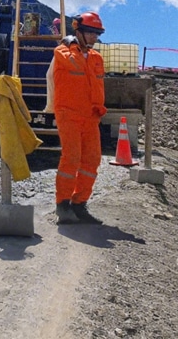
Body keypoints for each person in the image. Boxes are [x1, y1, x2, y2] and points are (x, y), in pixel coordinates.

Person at [52, 12, 107, 225]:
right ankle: (62, 206)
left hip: (91, 116)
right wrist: (71, 45)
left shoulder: (96, 58)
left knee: (91, 160)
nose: (94, 37)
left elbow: (97, 86)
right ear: (78, 31)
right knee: (71, 158)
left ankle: (79, 204)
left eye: (97, 33)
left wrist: (99, 108)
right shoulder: (63, 52)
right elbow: (73, 64)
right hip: (69, 113)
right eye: (91, 33)